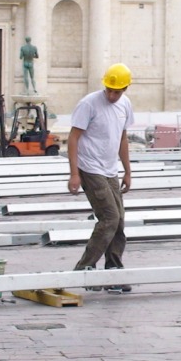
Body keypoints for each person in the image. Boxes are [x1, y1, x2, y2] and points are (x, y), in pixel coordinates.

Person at [67, 63, 135, 293]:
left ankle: (113, 271)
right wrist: (75, 174)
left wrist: (127, 170)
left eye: (117, 91)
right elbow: (73, 138)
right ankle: (83, 269)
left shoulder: (124, 105)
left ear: (125, 88)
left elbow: (122, 138)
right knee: (109, 217)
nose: (112, 95)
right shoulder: (89, 104)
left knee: (119, 221)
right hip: (90, 168)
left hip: (110, 170)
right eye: (109, 90)